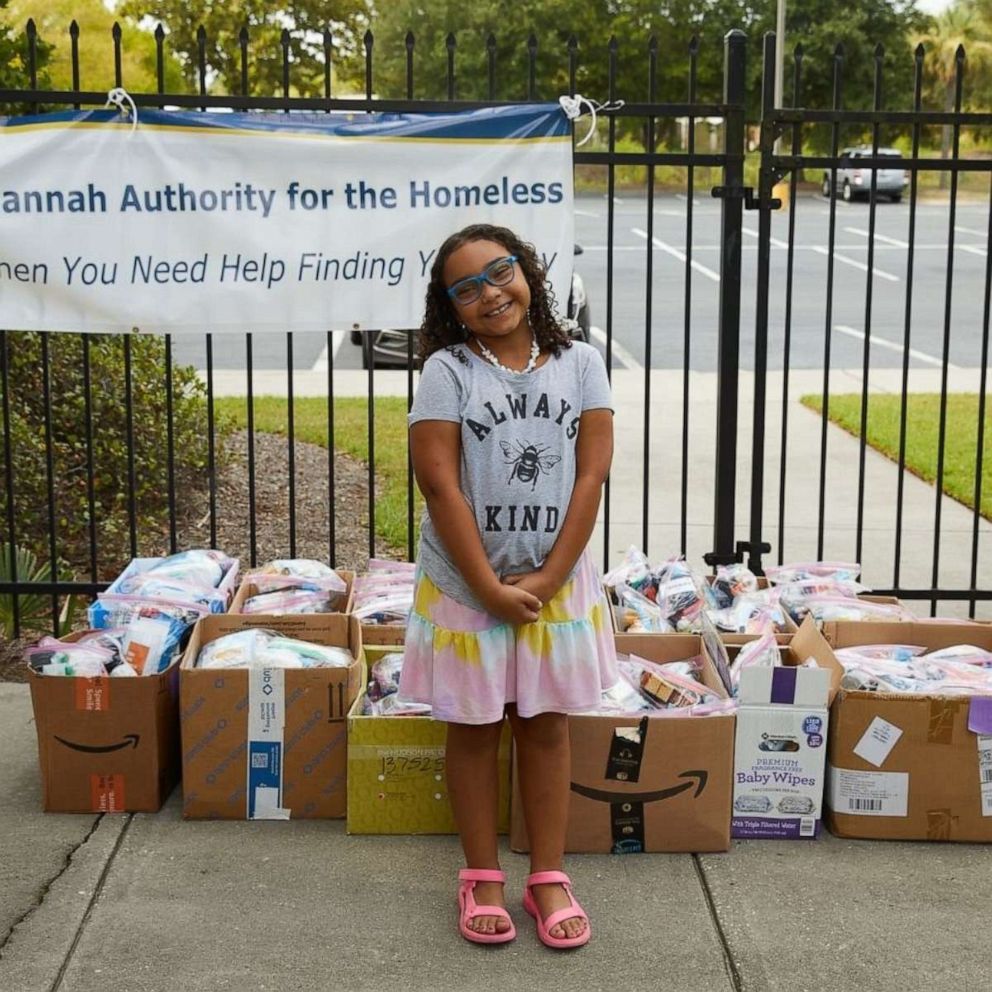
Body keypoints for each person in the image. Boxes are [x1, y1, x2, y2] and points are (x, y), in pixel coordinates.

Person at [400, 223, 617, 950]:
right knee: (473, 731)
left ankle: (548, 877)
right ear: (450, 307)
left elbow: (591, 473)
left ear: (528, 272)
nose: (490, 293)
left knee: (546, 727)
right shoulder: (448, 372)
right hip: (466, 588)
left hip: (556, 586)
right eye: (467, 288)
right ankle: (482, 878)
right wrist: (487, 587)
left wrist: (553, 575)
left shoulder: (582, 362)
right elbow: (438, 483)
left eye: (501, 272)